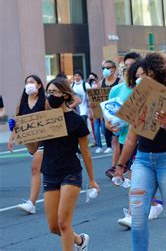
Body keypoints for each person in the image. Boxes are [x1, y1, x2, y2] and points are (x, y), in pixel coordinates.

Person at [9, 77, 99, 250]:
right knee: (54, 226)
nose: (50, 96)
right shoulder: (44, 120)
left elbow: (86, 153)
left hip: (71, 172)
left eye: (54, 92)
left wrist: (92, 180)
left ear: (65, 95)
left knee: (64, 222)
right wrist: (20, 132)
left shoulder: (77, 121)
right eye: (48, 92)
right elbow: (33, 149)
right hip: (50, 173)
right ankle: (80, 241)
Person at [114, 52, 166, 251]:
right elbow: (131, 138)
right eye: (137, 76)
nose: (140, 79)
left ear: (157, 75)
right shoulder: (137, 101)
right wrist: (120, 166)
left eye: (144, 75)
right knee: (137, 218)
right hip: (143, 161)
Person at [7, 75, 47, 215]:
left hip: (45, 141)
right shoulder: (22, 102)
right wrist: (11, 139)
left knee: (35, 169)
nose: (29, 85)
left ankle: (31, 203)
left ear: (39, 85)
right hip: (30, 143)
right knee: (46, 169)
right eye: (27, 83)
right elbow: (17, 122)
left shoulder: (45, 101)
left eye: (32, 82)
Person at [104, 53, 140, 179]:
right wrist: (110, 125)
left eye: (133, 65)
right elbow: (109, 117)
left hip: (146, 139)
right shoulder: (116, 89)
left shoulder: (148, 87)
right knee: (134, 183)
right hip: (126, 140)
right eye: (126, 65)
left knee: (142, 183)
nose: (129, 68)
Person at [94, 60, 121, 154]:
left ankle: (121, 163)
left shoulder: (120, 81)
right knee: (112, 138)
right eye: (103, 68)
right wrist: (98, 113)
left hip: (119, 113)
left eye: (108, 68)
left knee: (119, 139)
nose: (105, 70)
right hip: (106, 115)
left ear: (113, 69)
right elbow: (97, 100)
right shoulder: (101, 83)